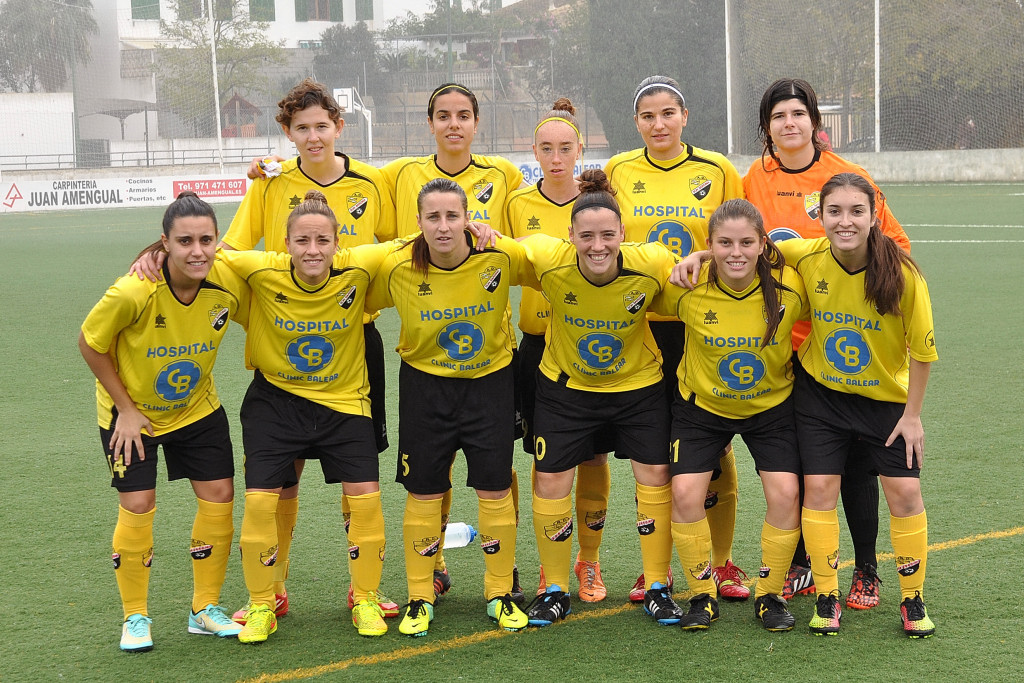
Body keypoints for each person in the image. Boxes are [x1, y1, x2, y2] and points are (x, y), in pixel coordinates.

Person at [674, 173, 938, 638]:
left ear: (875, 216)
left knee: (905, 494)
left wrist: (913, 415)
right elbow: (747, 248)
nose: (845, 221)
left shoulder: (903, 274)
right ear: (820, 216)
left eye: (856, 211)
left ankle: (913, 599)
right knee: (817, 490)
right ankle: (826, 596)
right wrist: (701, 255)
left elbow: (922, 350)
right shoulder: (805, 255)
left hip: (884, 401)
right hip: (821, 397)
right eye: (834, 211)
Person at [225, 78, 399, 621]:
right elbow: (231, 250)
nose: (314, 136)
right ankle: (272, 587)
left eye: (322, 126)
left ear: (339, 127)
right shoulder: (271, 182)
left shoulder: (372, 182)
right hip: (289, 337)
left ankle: (361, 589)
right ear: (288, 133)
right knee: (283, 476)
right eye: (302, 128)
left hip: (354, 342)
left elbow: (396, 247)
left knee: (358, 471)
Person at [744, 78, 911, 609]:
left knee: (856, 465)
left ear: (814, 121)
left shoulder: (846, 177)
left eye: (798, 113)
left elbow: (897, 245)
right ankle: (803, 562)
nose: (789, 123)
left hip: (841, 345)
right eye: (778, 116)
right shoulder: (753, 179)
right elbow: (738, 242)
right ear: (766, 126)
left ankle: (866, 568)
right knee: (804, 460)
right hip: (782, 344)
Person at [79, 192, 249, 651]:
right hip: (132, 416)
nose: (197, 251)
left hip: (197, 409)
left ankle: (204, 609)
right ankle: (135, 617)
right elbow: (90, 343)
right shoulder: (134, 289)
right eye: (185, 241)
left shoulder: (227, 283)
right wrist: (126, 409)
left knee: (220, 496)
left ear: (218, 241)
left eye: (206, 240)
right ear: (165, 243)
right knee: (138, 503)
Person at [365, 178, 533, 637]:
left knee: (494, 490)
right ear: (418, 222)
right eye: (433, 217)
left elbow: (553, 260)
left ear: (468, 219)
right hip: (425, 388)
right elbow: (344, 276)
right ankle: (420, 596)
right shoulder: (396, 263)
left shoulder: (498, 255)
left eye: (452, 216)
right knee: (423, 492)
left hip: (490, 385)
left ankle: (500, 593)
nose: (443, 226)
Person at [605, 75, 749, 602]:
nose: (659, 123)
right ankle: (657, 566)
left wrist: (705, 258)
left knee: (715, 441)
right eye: (648, 116)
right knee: (656, 450)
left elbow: (741, 235)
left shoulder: (717, 169)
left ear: (684, 116)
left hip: (703, 322)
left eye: (668, 113)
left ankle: (721, 561)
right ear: (636, 122)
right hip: (641, 325)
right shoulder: (619, 170)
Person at [381, 82, 526, 601]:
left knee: (496, 472)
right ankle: (430, 571)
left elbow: (540, 244)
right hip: (426, 368)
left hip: (492, 363)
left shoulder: (504, 175)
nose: (453, 124)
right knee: (427, 477)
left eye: (463, 114)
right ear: (429, 123)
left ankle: (503, 574)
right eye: (443, 115)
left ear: (476, 122)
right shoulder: (400, 175)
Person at [519, 170, 681, 628]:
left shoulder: (652, 261)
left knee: (655, 476)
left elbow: (689, 278)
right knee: (551, 479)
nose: (597, 246)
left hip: (638, 387)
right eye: (586, 236)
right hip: (566, 388)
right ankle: (554, 589)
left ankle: (657, 586)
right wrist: (480, 234)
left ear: (623, 233)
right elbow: (504, 251)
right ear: (569, 236)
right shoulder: (548, 257)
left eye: (607, 235)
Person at [651, 199, 807, 631]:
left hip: (771, 408)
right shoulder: (686, 285)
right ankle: (702, 595)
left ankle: (770, 595)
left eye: (745, 242)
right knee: (685, 495)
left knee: (786, 495)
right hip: (702, 409)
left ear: (763, 244)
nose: (735, 252)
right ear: (710, 244)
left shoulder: (792, 287)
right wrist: (695, 260)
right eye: (724, 243)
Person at [505, 97, 612, 603]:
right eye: (546, 148)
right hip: (537, 347)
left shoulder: (601, 203)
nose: (556, 158)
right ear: (534, 152)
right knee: (545, 459)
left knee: (593, 456)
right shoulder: (516, 204)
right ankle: (547, 567)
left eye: (565, 148)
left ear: (580, 149)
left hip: (594, 344)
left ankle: (588, 561)